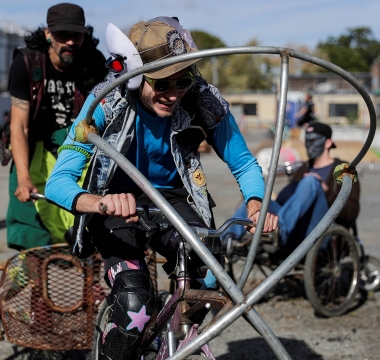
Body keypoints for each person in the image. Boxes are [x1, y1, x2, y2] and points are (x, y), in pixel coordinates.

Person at [45, 18, 278, 360]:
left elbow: (243, 162)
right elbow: (58, 182)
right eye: (162, 83)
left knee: (211, 274)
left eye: (182, 80)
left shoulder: (201, 100)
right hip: (114, 201)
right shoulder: (105, 104)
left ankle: (179, 338)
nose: (173, 94)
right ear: (137, 74)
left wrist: (256, 203)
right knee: (134, 303)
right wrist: (100, 203)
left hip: (173, 199)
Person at [6, 3, 107, 250]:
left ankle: (90, 286)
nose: (71, 42)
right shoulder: (27, 63)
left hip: (80, 150)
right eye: (63, 35)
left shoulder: (94, 62)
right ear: (48, 34)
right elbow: (18, 127)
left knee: (89, 227)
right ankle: (31, 282)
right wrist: (23, 178)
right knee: (31, 229)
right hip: (34, 151)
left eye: (77, 35)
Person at [225, 122, 360, 250]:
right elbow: (283, 200)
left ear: (328, 143)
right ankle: (224, 240)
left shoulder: (343, 169)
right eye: (307, 141)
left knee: (311, 181)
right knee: (256, 204)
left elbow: (352, 212)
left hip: (321, 227)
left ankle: (280, 229)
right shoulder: (304, 168)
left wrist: (325, 189)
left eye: (313, 141)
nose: (309, 146)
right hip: (296, 227)